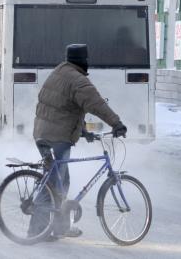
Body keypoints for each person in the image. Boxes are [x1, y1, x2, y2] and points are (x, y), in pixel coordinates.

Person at [28, 44, 127, 241]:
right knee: (58, 183)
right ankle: (39, 230)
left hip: (43, 133)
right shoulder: (78, 80)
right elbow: (96, 104)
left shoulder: (60, 71)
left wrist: (83, 131)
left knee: (59, 181)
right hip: (58, 138)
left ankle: (55, 228)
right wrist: (117, 124)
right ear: (83, 60)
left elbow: (64, 107)